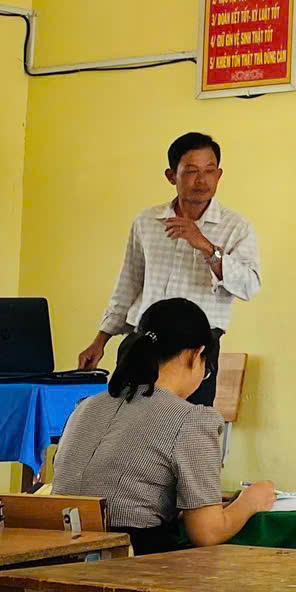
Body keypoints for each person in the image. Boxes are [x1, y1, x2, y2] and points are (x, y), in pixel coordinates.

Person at [52, 296, 275, 554]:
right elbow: (207, 532)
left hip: (56, 556)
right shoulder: (192, 419)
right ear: (196, 355)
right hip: (130, 563)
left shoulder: (85, 407)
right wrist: (250, 501)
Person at [78, 132, 262, 403]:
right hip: (144, 341)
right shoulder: (147, 221)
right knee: (126, 422)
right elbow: (128, 285)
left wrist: (207, 248)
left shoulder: (236, 227)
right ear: (171, 175)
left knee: (184, 426)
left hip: (195, 353)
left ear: (219, 175)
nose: (202, 180)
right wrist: (100, 340)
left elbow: (249, 286)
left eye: (209, 171)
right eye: (191, 171)